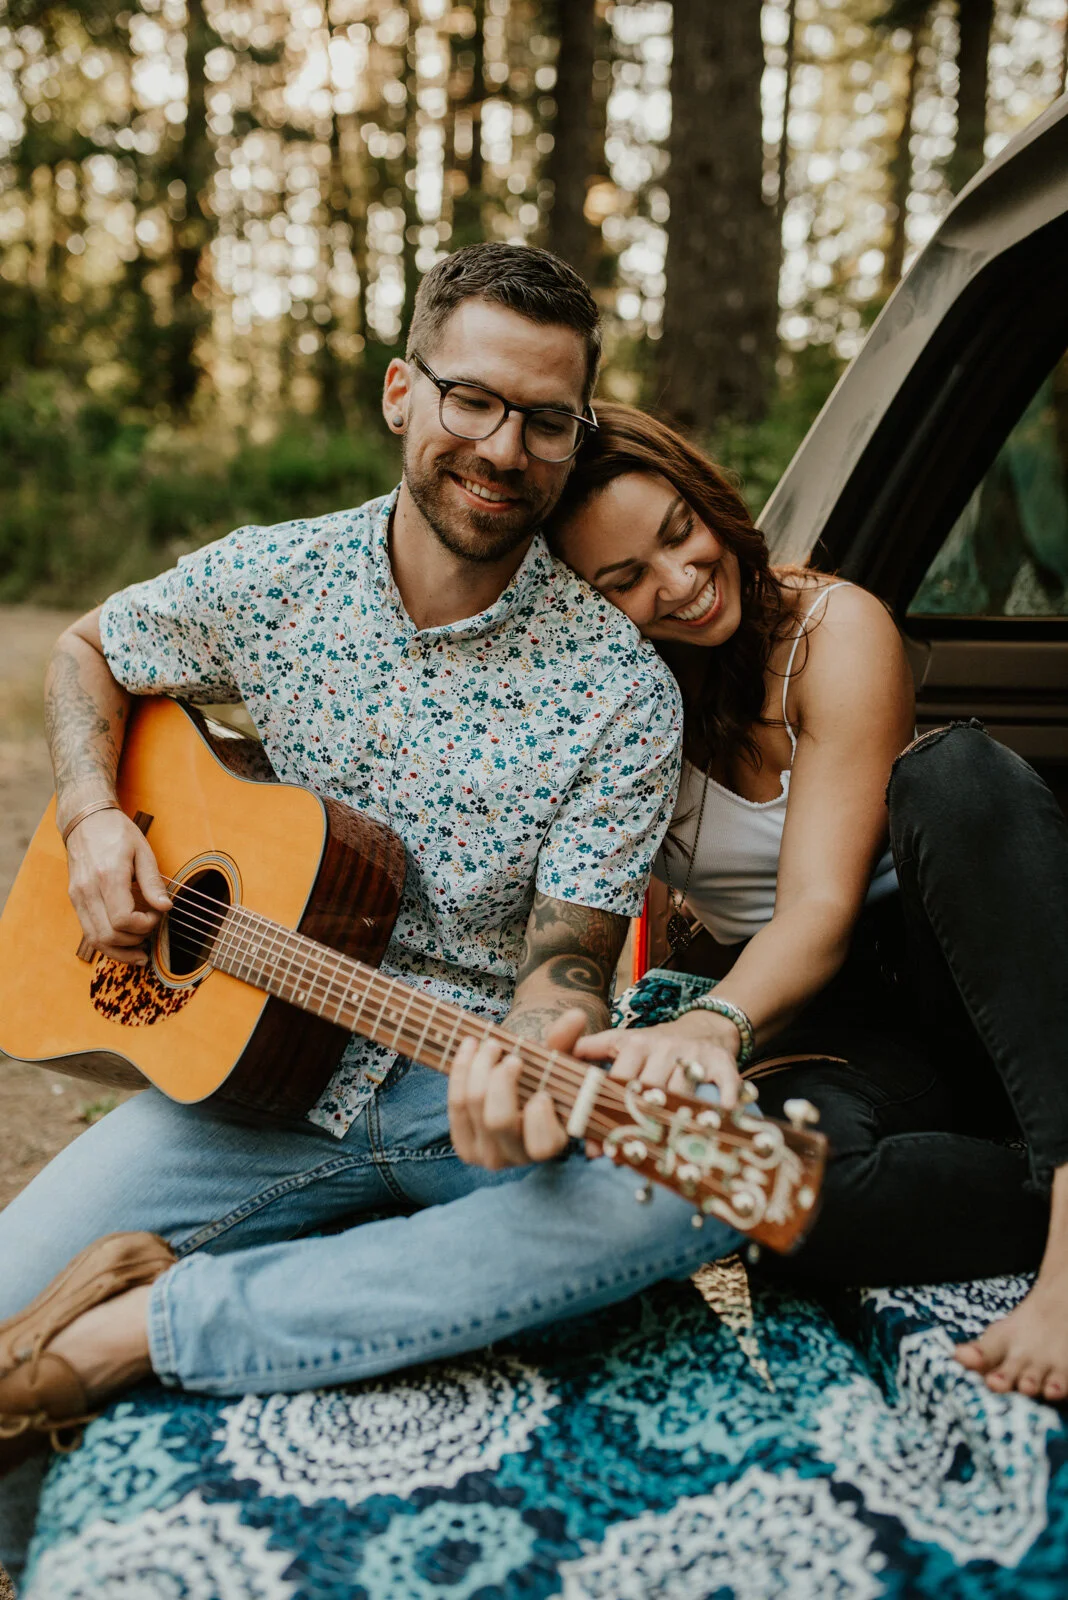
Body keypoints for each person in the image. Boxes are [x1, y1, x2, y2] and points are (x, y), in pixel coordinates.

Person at [0, 249, 744, 1578]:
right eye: (471, 400)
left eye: (545, 420)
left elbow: (569, 961)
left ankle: (167, 1320)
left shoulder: (623, 690)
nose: (502, 445)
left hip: (451, 1090)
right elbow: (87, 651)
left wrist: (538, 1048)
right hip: (241, 1087)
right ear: (403, 392)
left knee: (700, 1176)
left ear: (575, 439)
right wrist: (94, 812)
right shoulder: (269, 583)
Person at [544, 401, 1068, 1404]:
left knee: (956, 776)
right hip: (835, 1031)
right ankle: (1036, 1180)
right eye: (625, 580)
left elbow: (822, 906)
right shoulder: (604, 713)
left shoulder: (832, 627)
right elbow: (593, 906)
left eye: (677, 532)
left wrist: (711, 1023)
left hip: (964, 958)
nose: (681, 580)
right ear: (580, 606)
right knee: (761, 1191)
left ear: (707, 500)